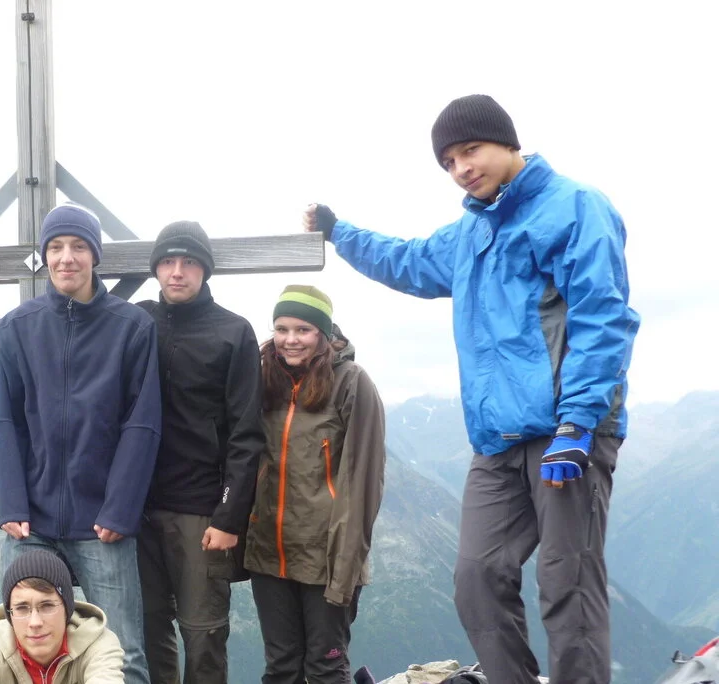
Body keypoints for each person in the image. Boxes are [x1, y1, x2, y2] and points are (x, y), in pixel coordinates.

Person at [305, 94, 640, 682]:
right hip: (497, 440)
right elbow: (406, 261)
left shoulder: (574, 207)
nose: (462, 167)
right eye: (449, 161)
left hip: (567, 432)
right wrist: (339, 231)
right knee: (476, 578)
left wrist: (578, 423)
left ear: (509, 144)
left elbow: (601, 317)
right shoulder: (470, 233)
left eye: (471, 150)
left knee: (568, 582)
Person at [0, 202, 161, 684]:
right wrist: (12, 503)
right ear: (44, 256)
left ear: (95, 256)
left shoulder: (132, 327)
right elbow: (9, 421)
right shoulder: (17, 327)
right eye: (56, 247)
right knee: (21, 650)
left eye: (79, 246)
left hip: (102, 521)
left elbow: (142, 423)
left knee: (123, 649)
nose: (67, 257)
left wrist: (120, 509)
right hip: (32, 523)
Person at [134, 221, 264, 684]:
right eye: (167, 262)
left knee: (203, 632)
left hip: (201, 512)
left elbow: (248, 434)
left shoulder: (233, 332)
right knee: (147, 630)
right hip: (136, 509)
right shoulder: (136, 321)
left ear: (205, 270)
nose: (177, 272)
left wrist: (229, 517)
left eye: (188, 262)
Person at [244, 285, 386, 684]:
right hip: (269, 552)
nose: (290, 340)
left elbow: (363, 482)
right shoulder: (261, 377)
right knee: (281, 667)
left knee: (325, 668)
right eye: (281, 328)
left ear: (324, 333)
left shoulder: (352, 382)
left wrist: (346, 566)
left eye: (303, 329)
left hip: (327, 556)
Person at [0, 549, 124, 683]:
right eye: (22, 608)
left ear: (67, 608)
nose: (35, 622)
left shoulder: (98, 644)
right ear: (9, 615)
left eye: (47, 606)